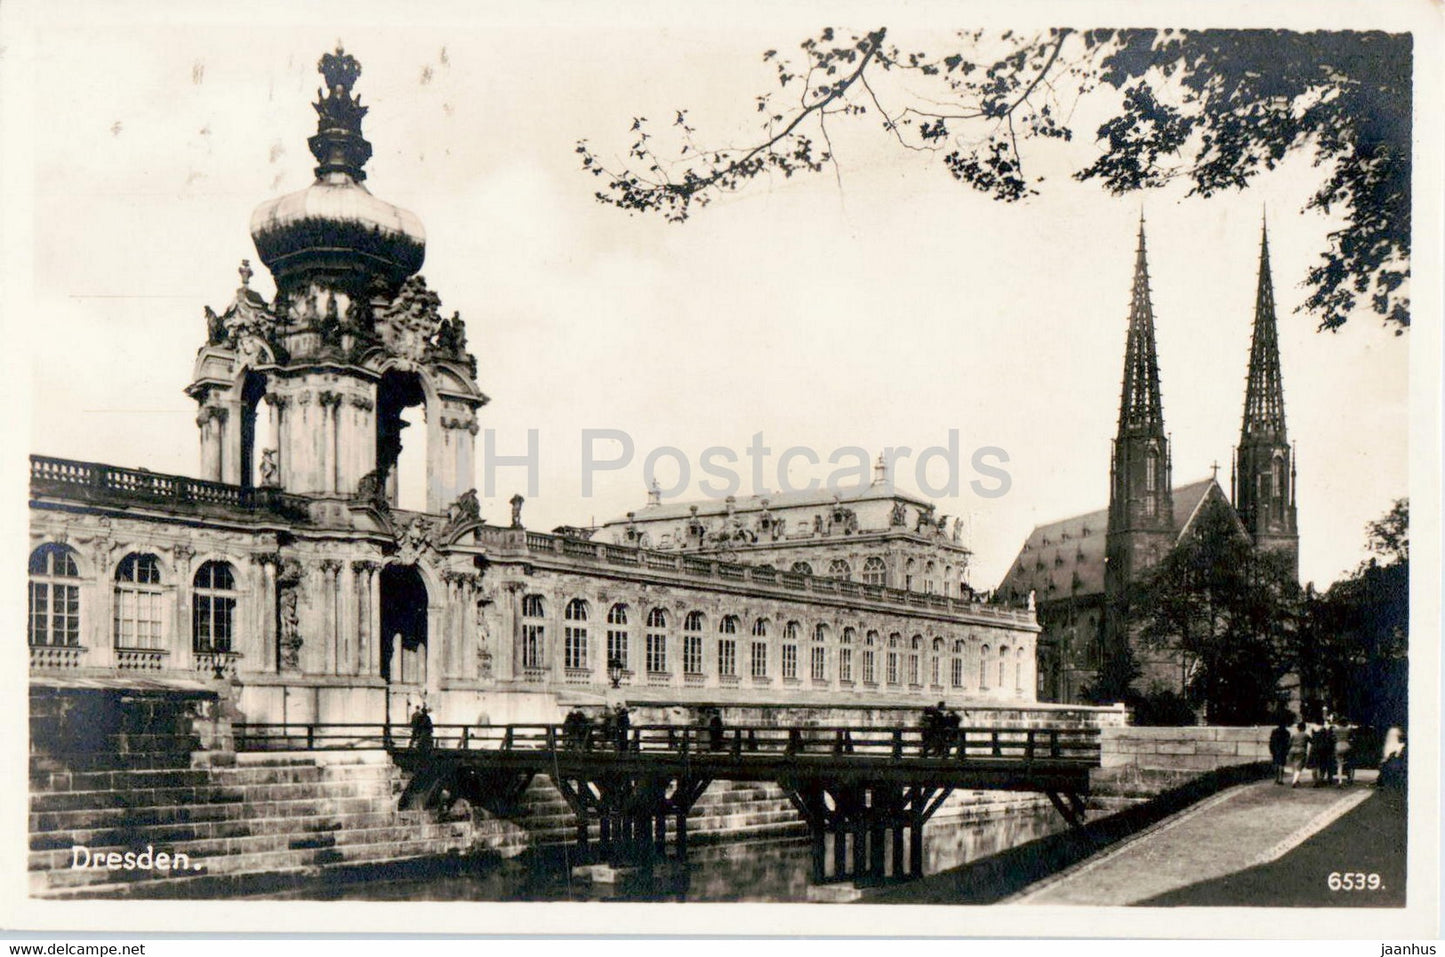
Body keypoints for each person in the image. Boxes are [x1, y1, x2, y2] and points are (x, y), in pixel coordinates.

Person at [1286, 721, 1311, 788]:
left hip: (1292, 750)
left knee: (1293, 765)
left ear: (1298, 728)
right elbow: (1311, 741)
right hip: (1301, 750)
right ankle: (1294, 781)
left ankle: (1296, 779)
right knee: (1299, 767)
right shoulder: (1306, 735)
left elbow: (1289, 743)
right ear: (1304, 728)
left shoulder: (1294, 735)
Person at [1333, 717, 1354, 785]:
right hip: (1347, 745)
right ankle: (1350, 778)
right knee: (1349, 763)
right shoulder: (1348, 730)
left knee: (1339, 764)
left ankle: (1340, 781)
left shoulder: (1335, 730)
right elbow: (1351, 735)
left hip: (1338, 746)